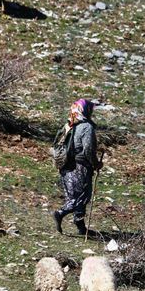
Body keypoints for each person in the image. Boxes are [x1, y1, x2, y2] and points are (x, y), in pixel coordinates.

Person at [53, 98, 101, 235]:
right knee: (82, 196)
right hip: (80, 167)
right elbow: (88, 149)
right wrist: (96, 163)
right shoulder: (87, 127)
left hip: (65, 166)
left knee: (73, 196)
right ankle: (60, 213)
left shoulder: (68, 125)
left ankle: (81, 227)